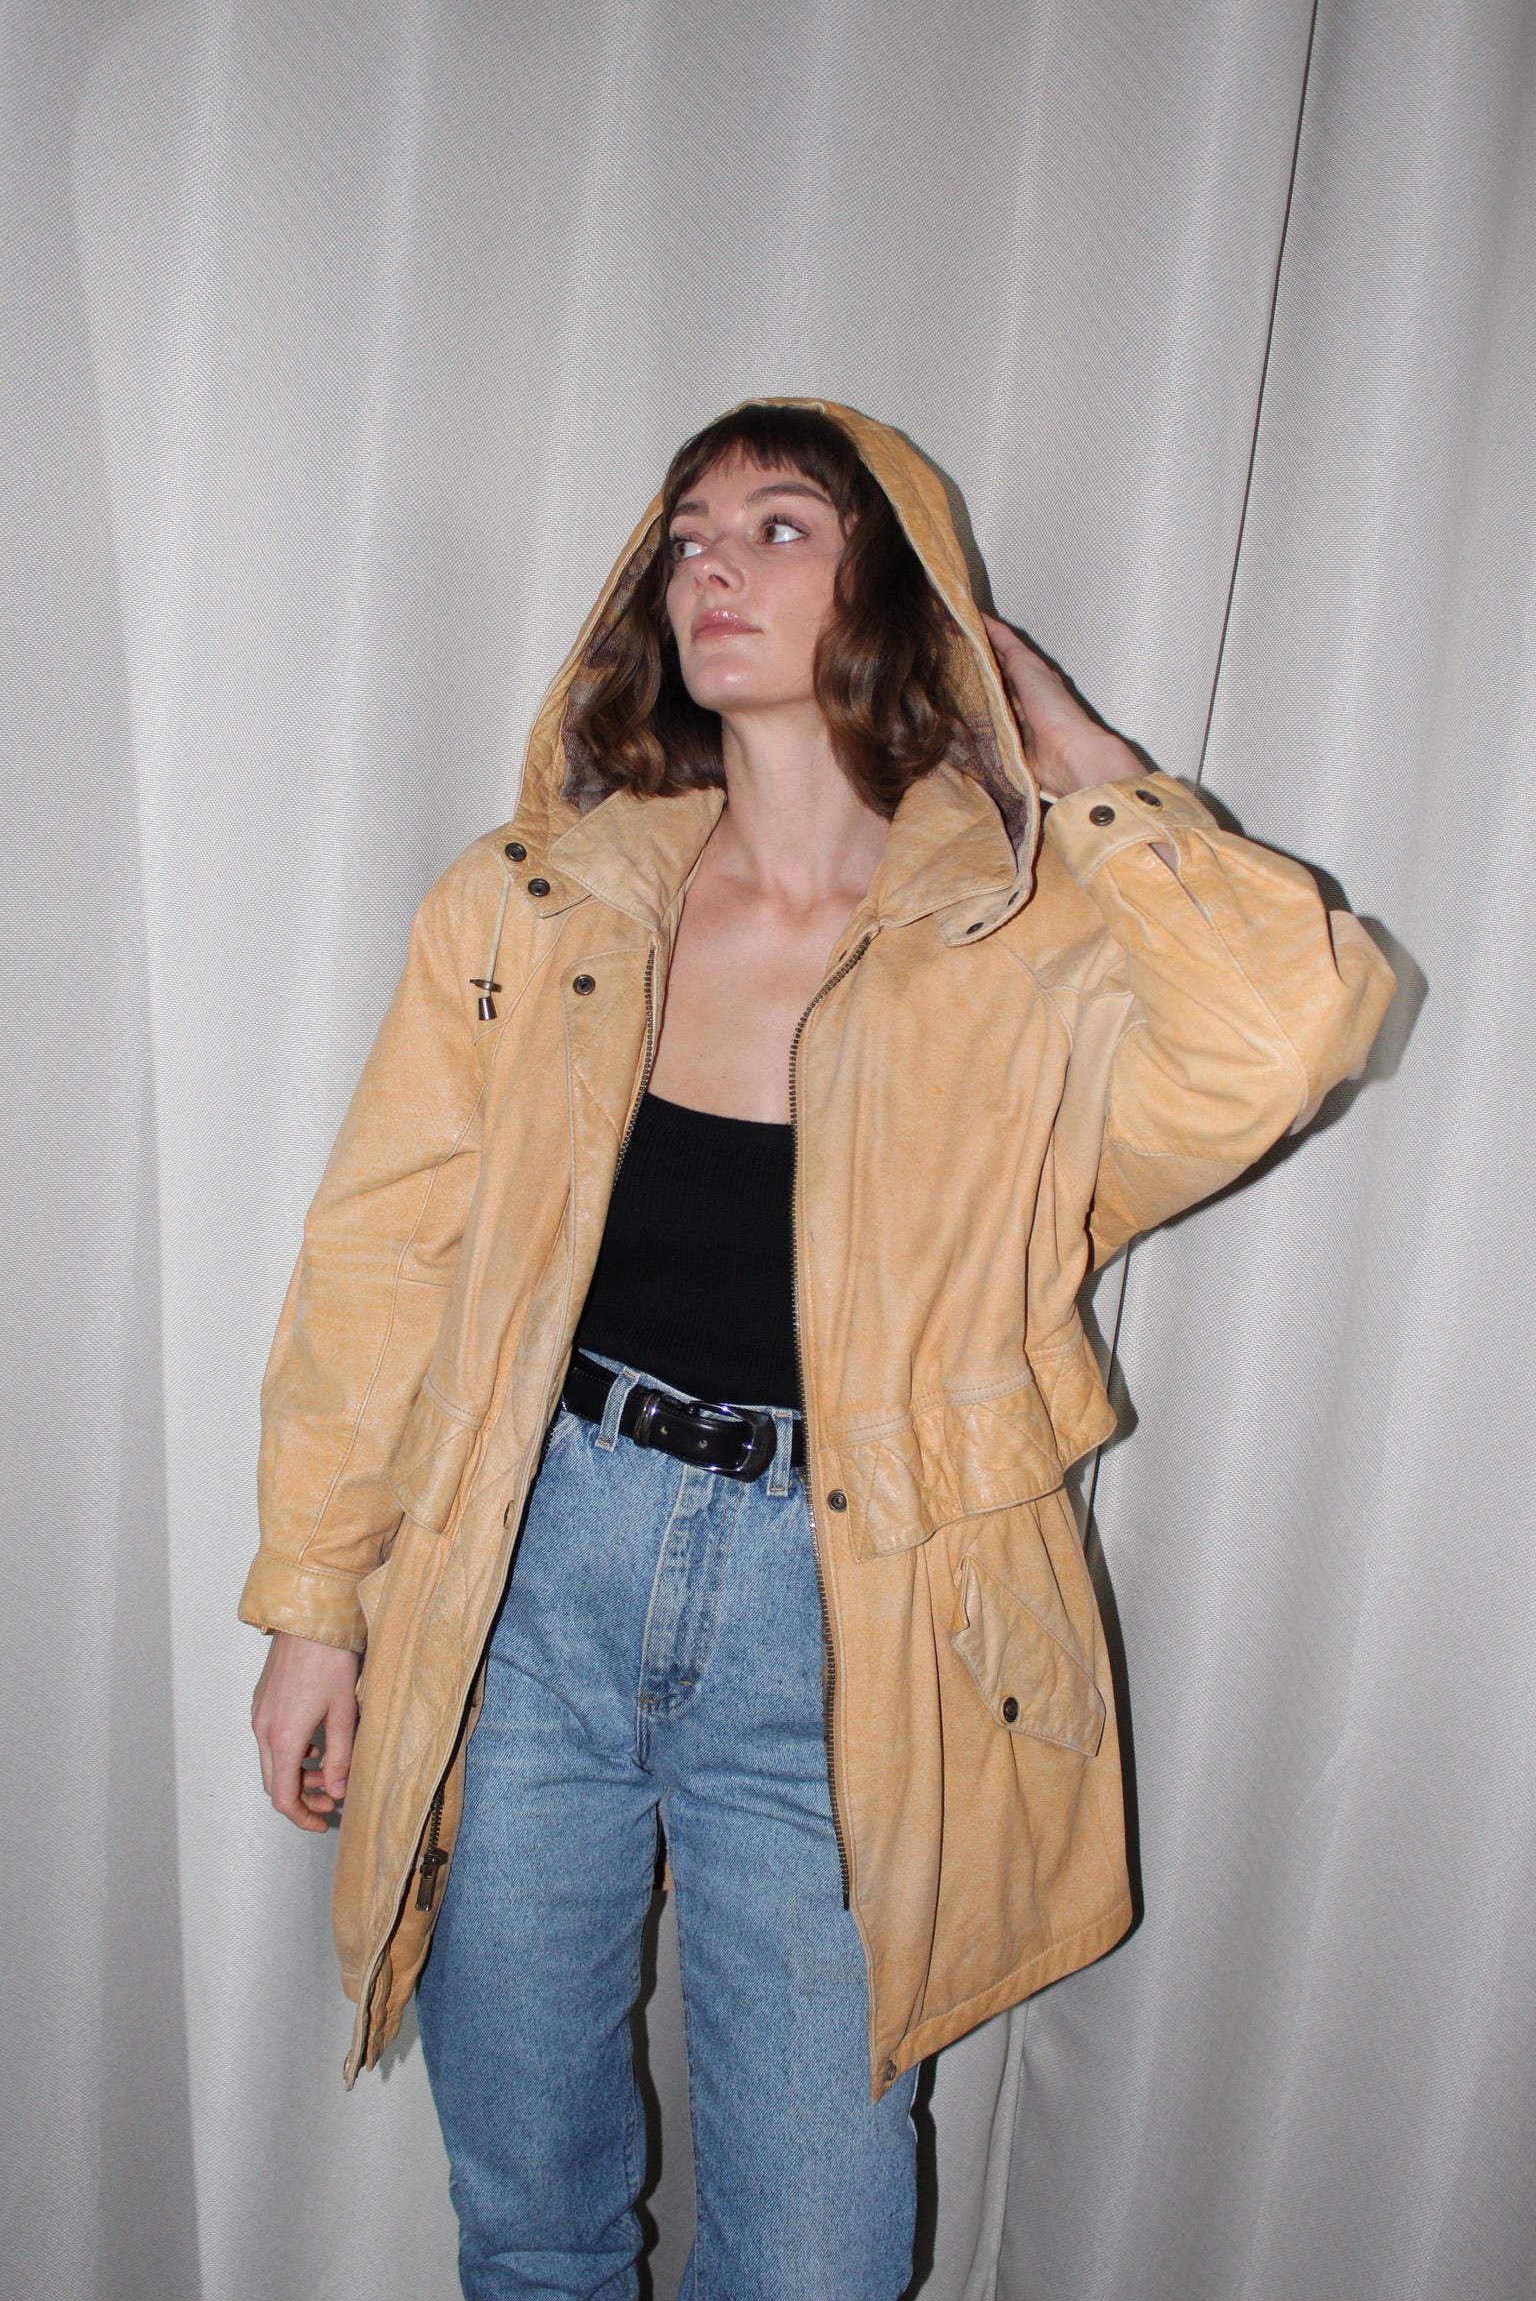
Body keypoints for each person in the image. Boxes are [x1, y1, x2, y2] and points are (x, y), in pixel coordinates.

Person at [243, 400, 1394, 2299]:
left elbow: (1289, 1033)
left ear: (900, 588)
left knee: (816, 2261)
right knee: (527, 2213)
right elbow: (383, 1254)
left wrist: (1089, 765)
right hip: (524, 1579)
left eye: (779, 525)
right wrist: (315, 1603)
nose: (713, 564)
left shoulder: (1025, 943)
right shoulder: (538, 901)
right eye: (689, 533)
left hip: (855, 1623)